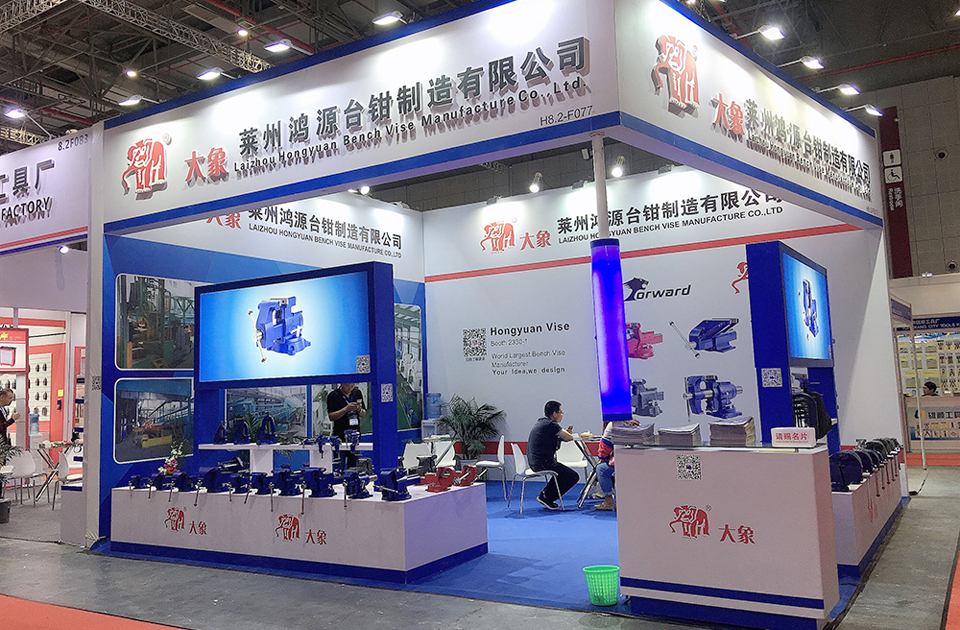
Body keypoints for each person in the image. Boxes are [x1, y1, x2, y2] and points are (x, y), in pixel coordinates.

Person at [527, 400, 579, 510]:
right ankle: (546, 497)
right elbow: (569, 437)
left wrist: (561, 437)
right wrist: (567, 433)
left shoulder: (542, 422)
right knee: (572, 476)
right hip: (544, 463)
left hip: (536, 461)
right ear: (554, 414)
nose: (562, 415)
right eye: (561, 412)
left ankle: (546, 495)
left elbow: (556, 446)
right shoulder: (551, 424)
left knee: (562, 473)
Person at [594, 418, 641, 511]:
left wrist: (602, 459)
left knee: (600, 469)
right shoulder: (633, 423)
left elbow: (603, 454)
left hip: (626, 462)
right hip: (637, 459)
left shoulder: (611, 426)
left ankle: (609, 500)